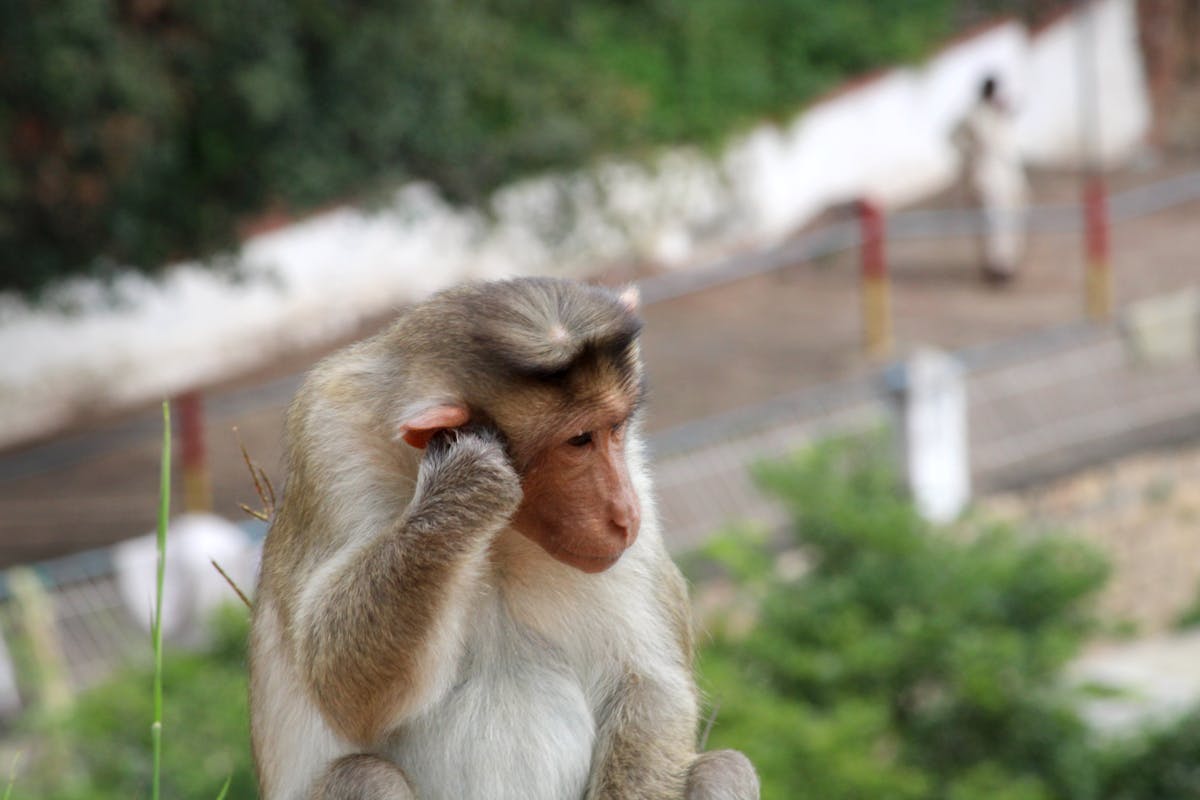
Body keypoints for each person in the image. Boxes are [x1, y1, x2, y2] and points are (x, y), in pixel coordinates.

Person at [955, 75, 1030, 284]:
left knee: (1012, 219)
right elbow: (957, 139)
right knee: (993, 222)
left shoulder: (1001, 115)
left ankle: (1009, 262)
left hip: (1009, 176)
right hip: (988, 177)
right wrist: (972, 159)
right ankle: (996, 266)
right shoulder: (975, 116)